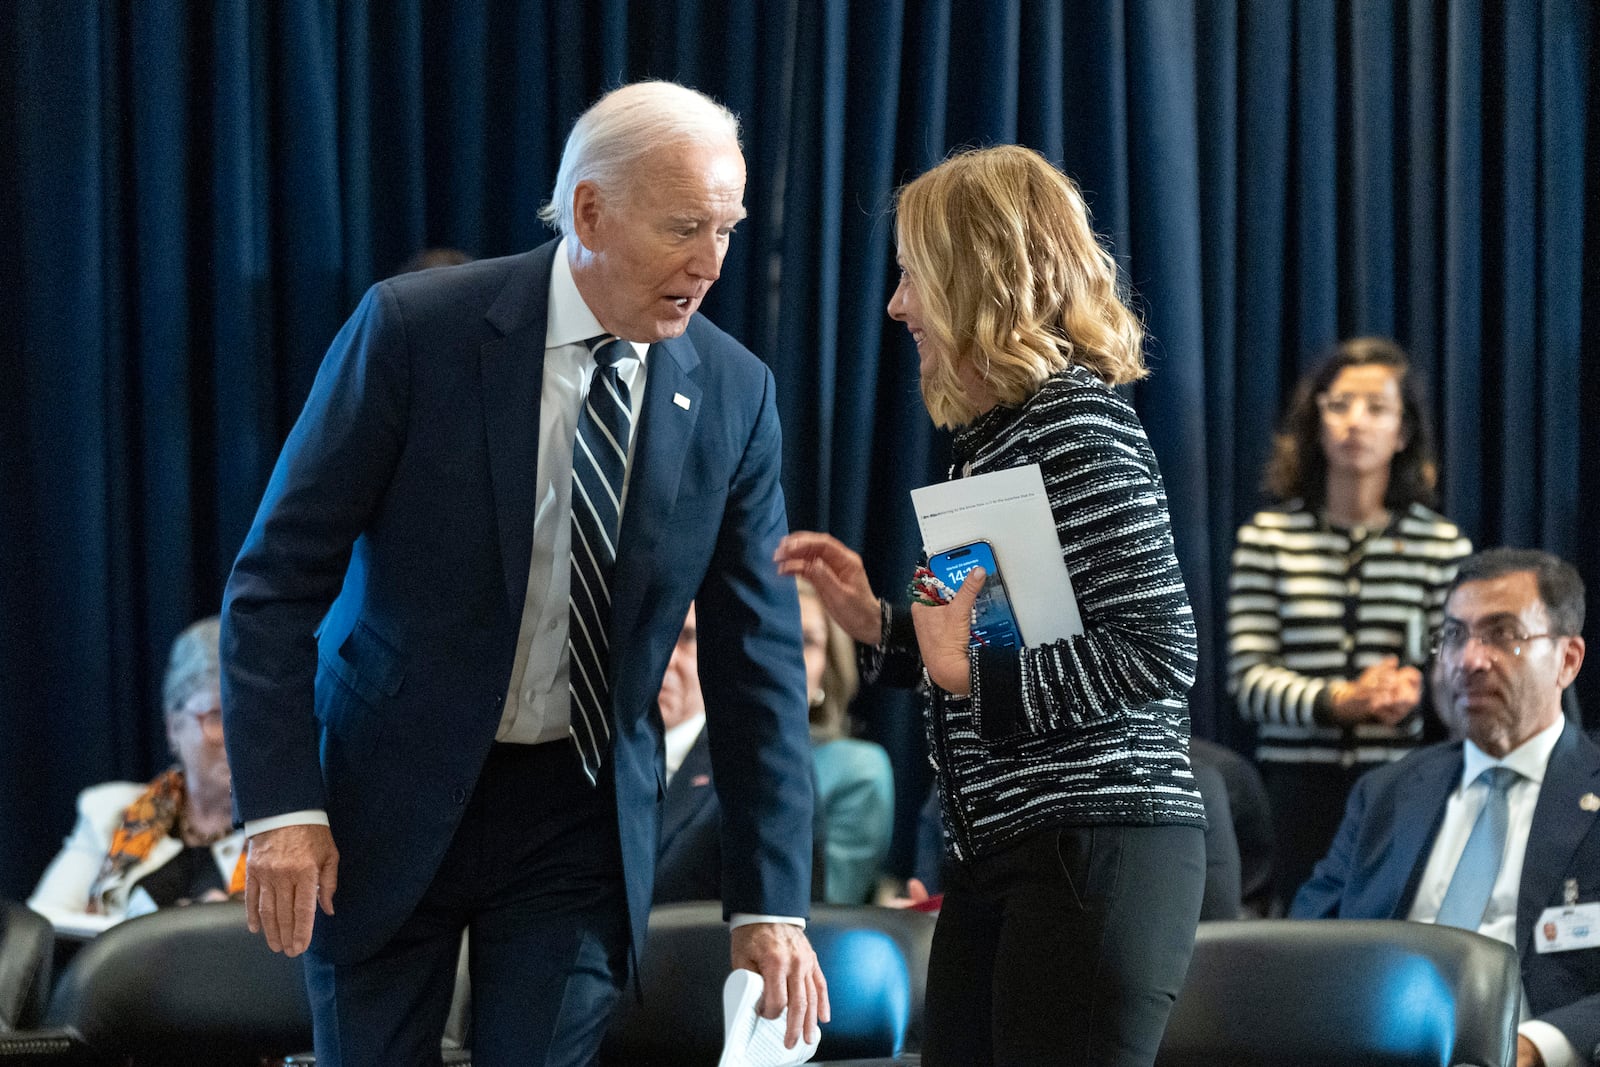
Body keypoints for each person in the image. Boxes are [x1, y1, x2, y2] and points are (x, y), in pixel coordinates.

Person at [220, 81, 826, 1066]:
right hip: (386, 793)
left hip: (576, 815)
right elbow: (275, 580)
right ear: (590, 211)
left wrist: (769, 905)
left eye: (726, 227)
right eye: (684, 228)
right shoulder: (416, 332)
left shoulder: (733, 393)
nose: (711, 263)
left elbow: (757, 661)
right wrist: (287, 809)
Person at [776, 145, 1207, 1067]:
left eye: (912, 275)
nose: (896, 306)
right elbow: (1011, 637)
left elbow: (1158, 650)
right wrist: (881, 629)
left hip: (1093, 850)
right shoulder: (1003, 436)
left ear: (981, 275)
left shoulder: (1075, 427)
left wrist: (967, 669)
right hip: (1012, 854)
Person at [1292, 548, 1598, 1067]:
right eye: (1454, 635)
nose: (1469, 660)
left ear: (1567, 660)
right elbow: (1301, 947)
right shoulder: (1386, 793)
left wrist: (1533, 1046)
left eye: (1503, 635)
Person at [1228, 336, 1472, 907]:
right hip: (1295, 790)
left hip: (1401, 784)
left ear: (1403, 431)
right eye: (1338, 405)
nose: (1354, 423)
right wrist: (1337, 701)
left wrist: (1418, 687)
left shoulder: (1440, 546)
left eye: (1376, 408)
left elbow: (1452, 664)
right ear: (1315, 421)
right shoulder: (1268, 539)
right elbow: (1248, 679)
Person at [30, 617, 242, 936]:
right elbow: (40, 928)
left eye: (250, 718)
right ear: (173, 727)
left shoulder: (288, 832)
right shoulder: (111, 813)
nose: (238, 736)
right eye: (217, 716)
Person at [652, 604, 827, 905]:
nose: (666, 657)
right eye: (656, 636)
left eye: (687, 637)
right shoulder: (595, 754)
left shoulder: (758, 761)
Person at [798, 578, 895, 904]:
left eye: (806, 641)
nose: (788, 657)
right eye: (771, 637)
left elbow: (825, 906)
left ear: (827, 668)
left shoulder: (856, 768)